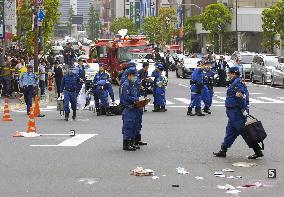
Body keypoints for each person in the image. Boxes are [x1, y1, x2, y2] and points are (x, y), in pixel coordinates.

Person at [213, 67, 263, 159]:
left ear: (234, 74)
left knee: (245, 132)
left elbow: (241, 97)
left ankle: (257, 150)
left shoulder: (237, 83)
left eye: (229, 73)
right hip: (233, 113)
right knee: (230, 132)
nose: (228, 75)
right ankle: (223, 150)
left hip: (237, 113)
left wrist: (244, 110)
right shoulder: (235, 82)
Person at [121, 67, 140, 151]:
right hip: (128, 108)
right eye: (134, 76)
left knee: (134, 126)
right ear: (129, 75)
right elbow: (126, 97)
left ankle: (131, 143)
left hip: (134, 108)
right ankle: (126, 144)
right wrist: (135, 99)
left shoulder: (132, 84)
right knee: (128, 126)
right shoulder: (125, 85)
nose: (135, 77)